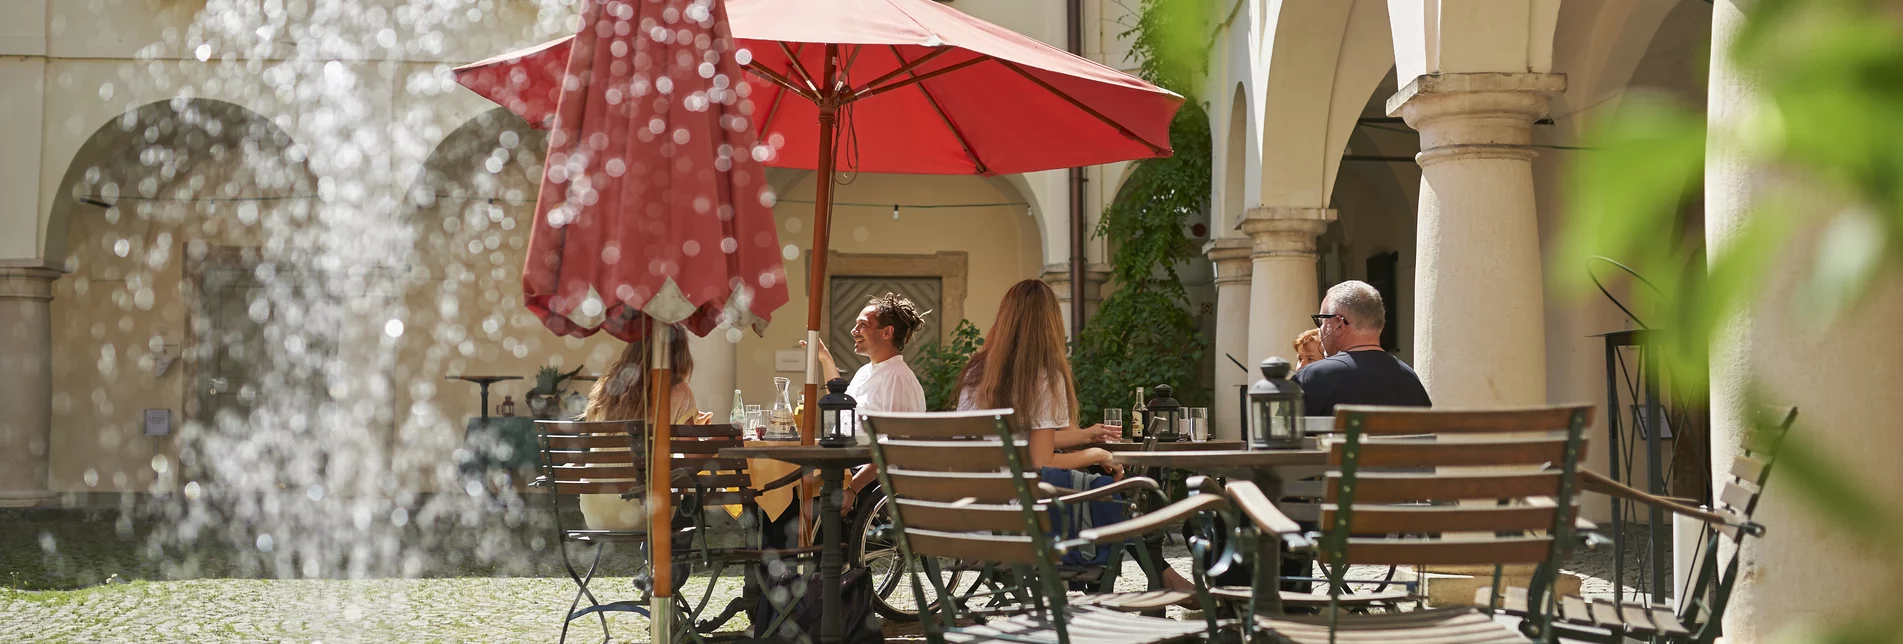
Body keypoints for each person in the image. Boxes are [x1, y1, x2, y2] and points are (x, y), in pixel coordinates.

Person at [803, 292, 928, 511]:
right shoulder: (866, 372)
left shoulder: (897, 378)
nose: (854, 331)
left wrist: (852, 489)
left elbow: (893, 449)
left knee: (796, 506)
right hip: (847, 469)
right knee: (791, 492)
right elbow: (842, 413)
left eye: (863, 325)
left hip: (874, 483)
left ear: (887, 332)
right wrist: (825, 359)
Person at [577, 328, 700, 531]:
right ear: (679, 352)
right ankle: (672, 562)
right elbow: (692, 460)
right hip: (646, 509)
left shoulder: (607, 388)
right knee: (683, 493)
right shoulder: (678, 391)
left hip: (595, 508)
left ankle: (655, 557)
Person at [1294, 280, 1431, 417]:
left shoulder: (1313, 378)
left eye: (1322, 321)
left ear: (1339, 324)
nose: (1321, 330)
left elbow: (1279, 430)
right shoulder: (1411, 380)